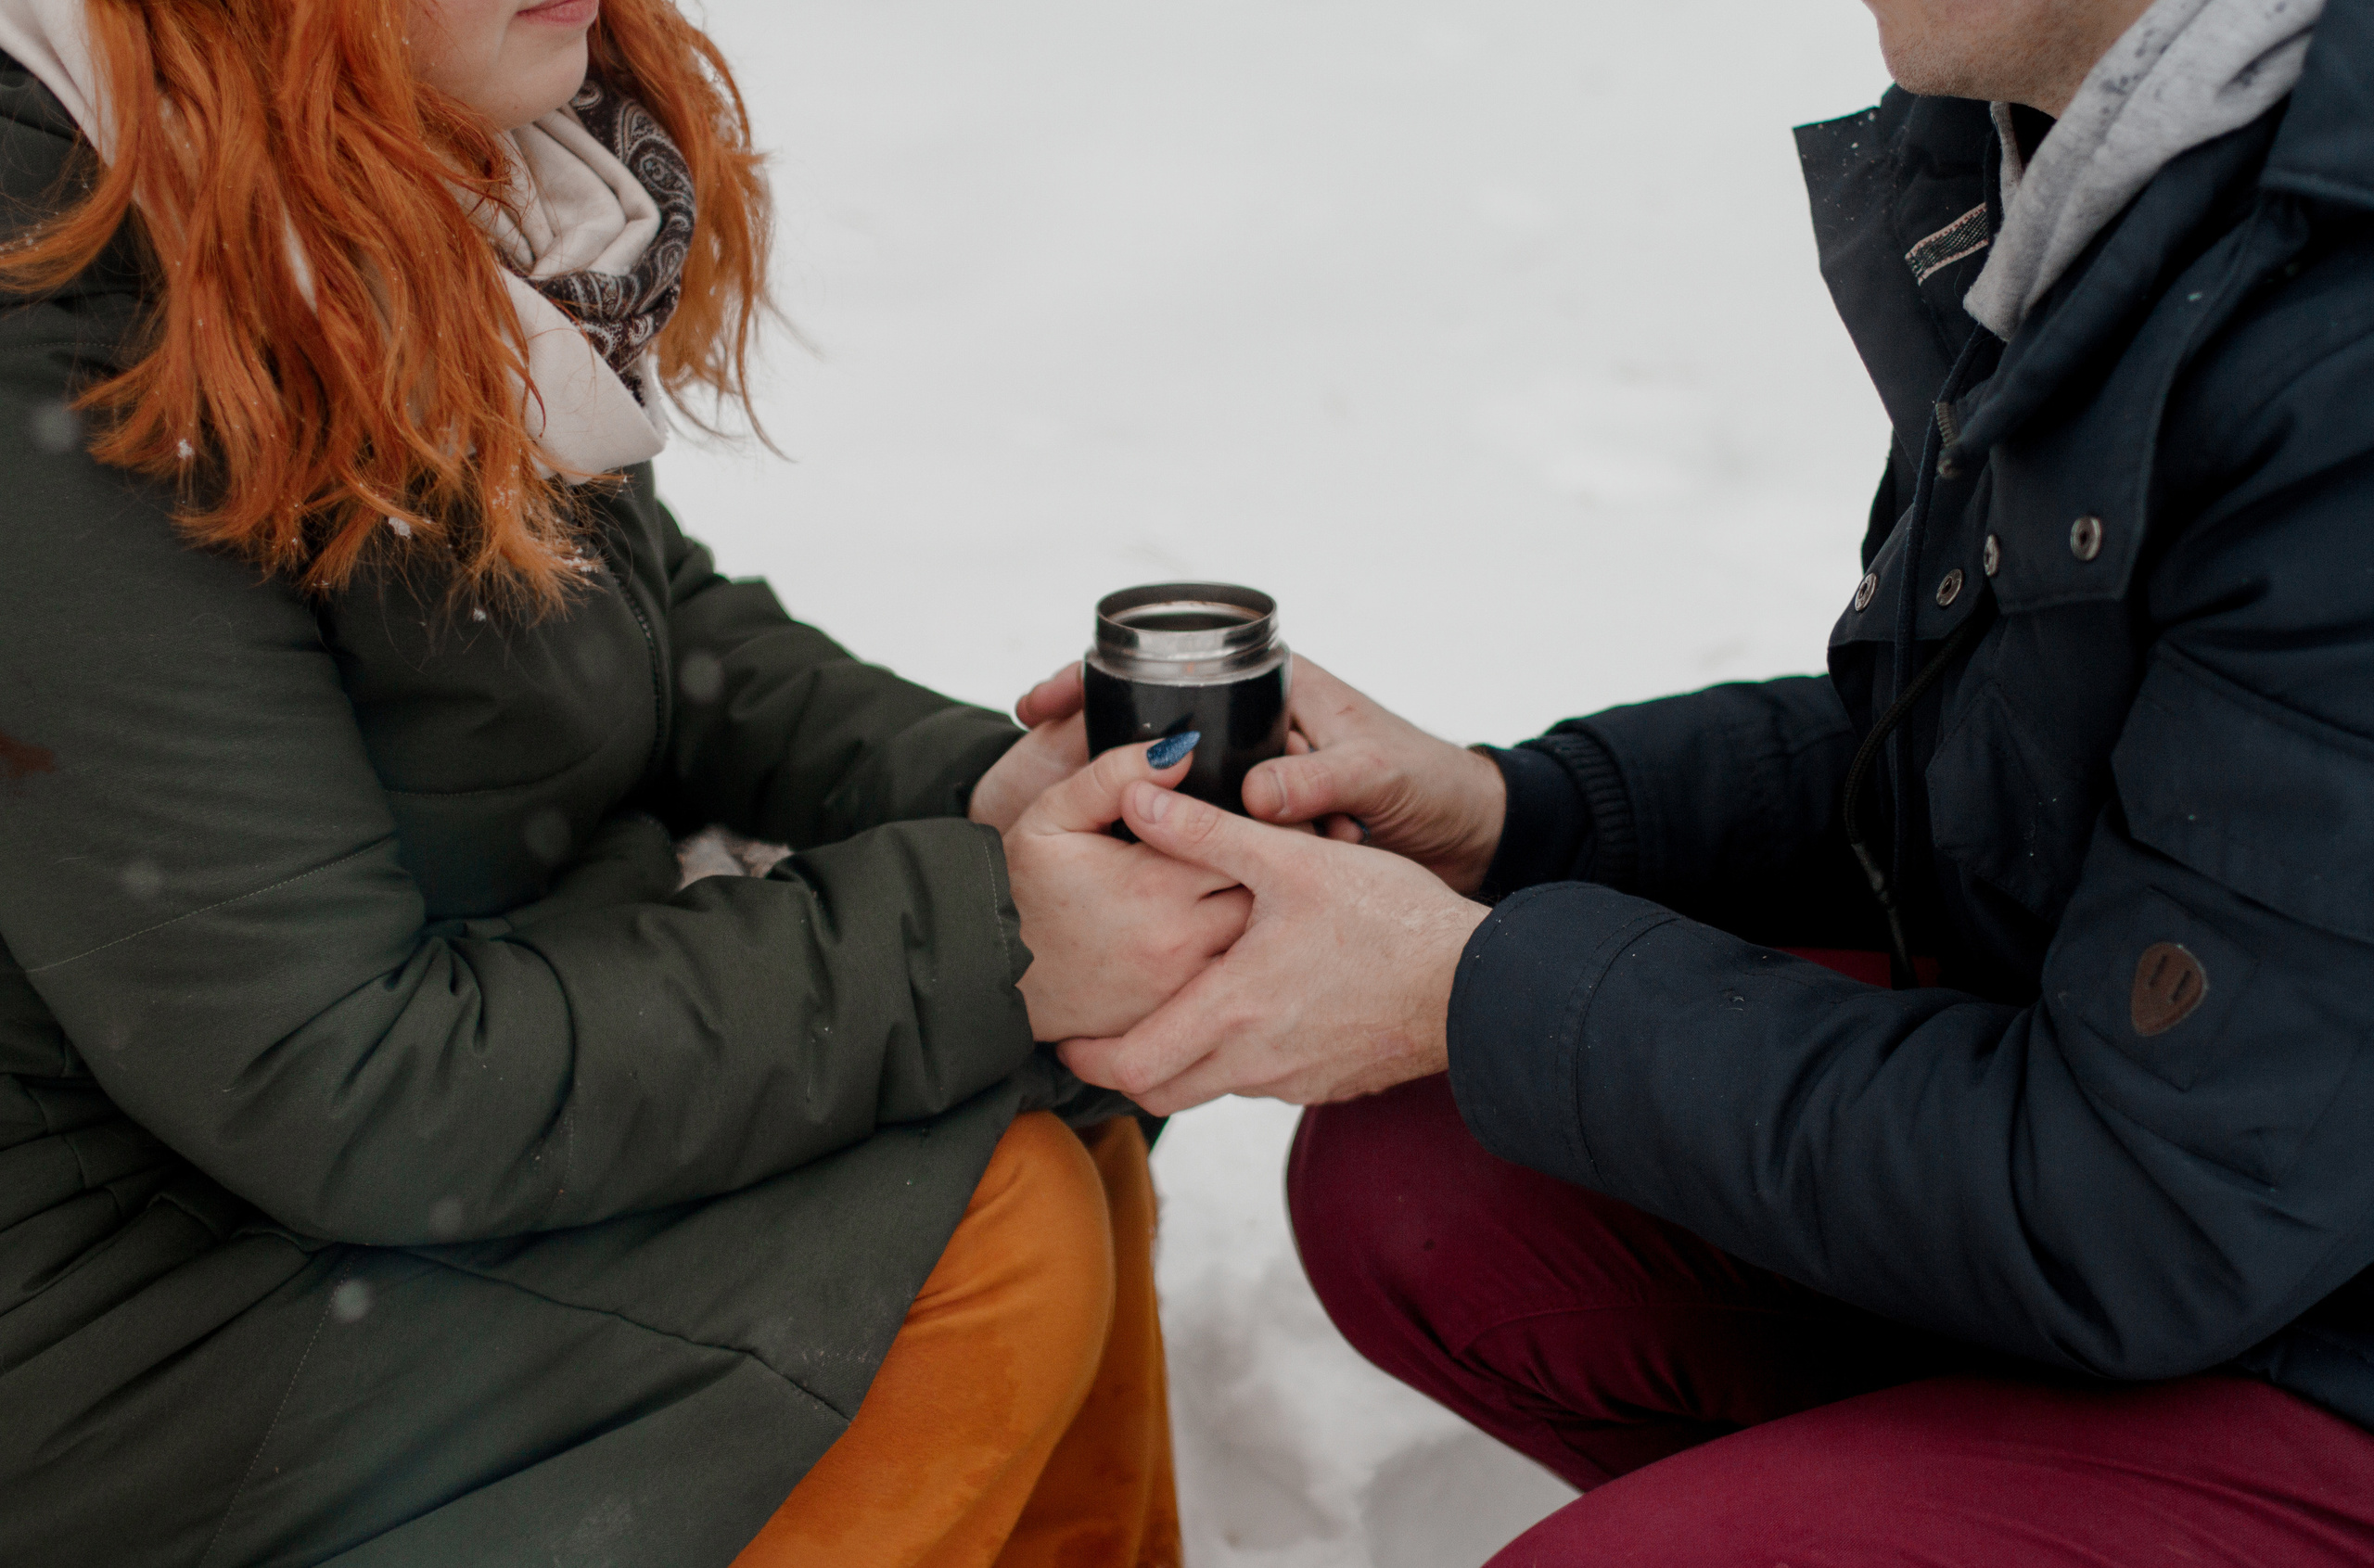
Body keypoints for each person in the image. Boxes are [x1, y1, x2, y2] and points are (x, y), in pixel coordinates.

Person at [1041, 0, 2374, 1560]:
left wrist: (1472, 988)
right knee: (1427, 1175)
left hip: (2282, 1290)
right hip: (2229, 1192)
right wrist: (1521, 817)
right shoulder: (2091, 162)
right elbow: (2008, 749)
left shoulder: (2333, 332)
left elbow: (2154, 1202)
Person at [0, 1, 1237, 1562]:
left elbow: (609, 623)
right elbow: (338, 1079)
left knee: (1054, 1106)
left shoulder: (397, 174)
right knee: (979, 1247)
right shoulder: (51, 313)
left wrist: (1001, 791)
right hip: (105, 1310)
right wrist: (995, 936)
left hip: (315, 1140)